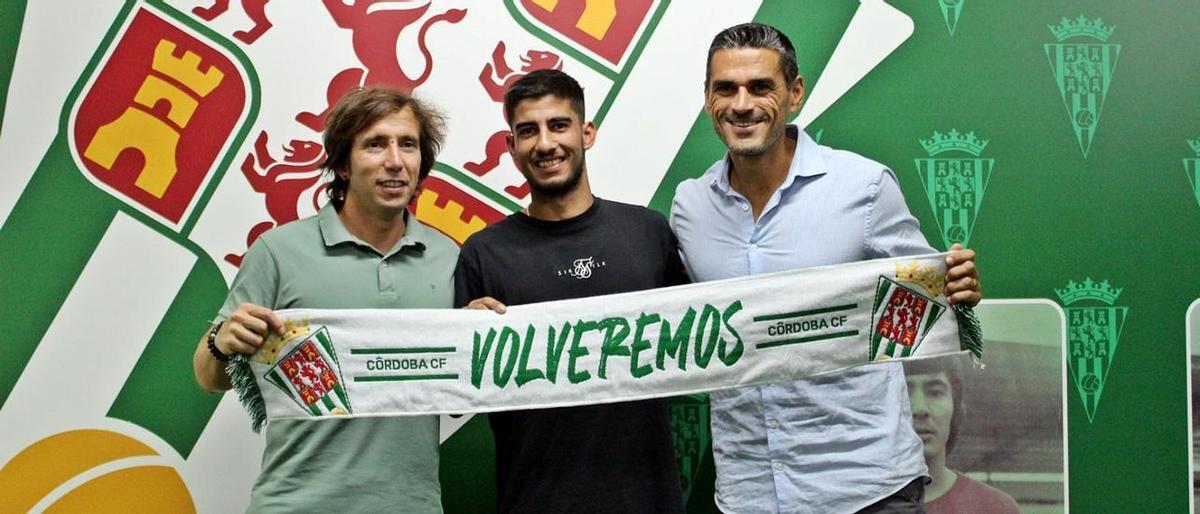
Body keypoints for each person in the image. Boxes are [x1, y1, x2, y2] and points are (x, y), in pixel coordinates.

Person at [670, 23, 982, 513]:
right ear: (708, 99)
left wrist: (954, 290)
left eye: (760, 87)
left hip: (867, 486)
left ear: (795, 93)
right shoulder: (690, 207)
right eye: (725, 89)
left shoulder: (864, 187)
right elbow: (668, 315)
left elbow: (928, 307)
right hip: (750, 492)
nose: (742, 104)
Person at [192, 87, 456, 512]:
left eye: (407, 144)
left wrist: (482, 337)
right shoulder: (278, 251)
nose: (395, 160)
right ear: (342, 164)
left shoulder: (449, 260)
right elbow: (209, 378)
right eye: (375, 144)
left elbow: (458, 392)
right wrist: (221, 342)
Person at [455, 69, 688, 513]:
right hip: (535, 501)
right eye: (528, 131)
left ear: (587, 133)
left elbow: (698, 353)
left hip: (649, 500)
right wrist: (466, 342)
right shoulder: (483, 254)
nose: (545, 144)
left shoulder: (648, 232)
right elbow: (455, 396)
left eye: (558, 125)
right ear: (511, 148)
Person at [905, 357, 1020, 514]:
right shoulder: (863, 503)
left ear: (955, 408)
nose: (919, 409)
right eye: (902, 392)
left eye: (935, 392)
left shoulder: (995, 508)